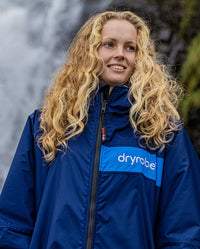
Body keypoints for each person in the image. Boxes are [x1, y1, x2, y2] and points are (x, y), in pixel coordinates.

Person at [0, 10, 200, 249]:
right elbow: (13, 224)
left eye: (130, 48)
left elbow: (182, 233)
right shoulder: (46, 124)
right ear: (89, 51)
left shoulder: (163, 133)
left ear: (142, 57)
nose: (120, 54)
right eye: (109, 44)